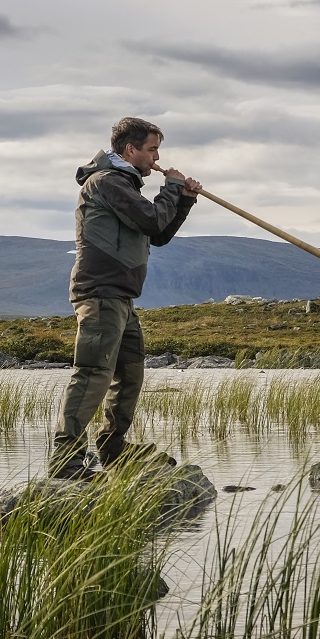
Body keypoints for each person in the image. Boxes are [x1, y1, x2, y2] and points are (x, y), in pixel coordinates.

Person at [50, 117, 202, 479]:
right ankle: (65, 460)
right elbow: (151, 220)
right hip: (100, 294)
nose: (157, 157)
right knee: (93, 375)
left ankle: (113, 448)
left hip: (121, 298)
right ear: (129, 149)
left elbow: (157, 234)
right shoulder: (107, 182)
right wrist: (171, 186)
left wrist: (183, 201)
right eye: (152, 149)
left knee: (130, 375)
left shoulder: (125, 185)